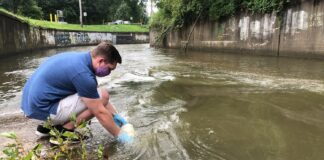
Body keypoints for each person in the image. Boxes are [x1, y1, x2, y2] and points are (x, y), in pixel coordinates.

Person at [21, 41, 134, 144]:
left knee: (97, 96)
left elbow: (94, 94)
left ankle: (47, 127)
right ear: (101, 61)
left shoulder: (79, 59)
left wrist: (116, 116)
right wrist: (120, 135)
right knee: (103, 96)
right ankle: (65, 131)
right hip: (43, 108)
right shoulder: (83, 75)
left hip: (32, 106)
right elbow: (100, 111)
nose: (109, 73)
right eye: (109, 69)